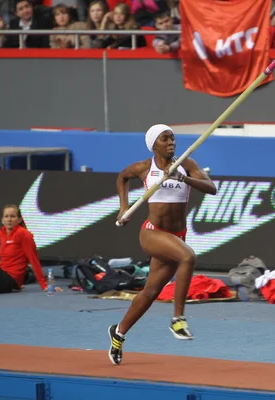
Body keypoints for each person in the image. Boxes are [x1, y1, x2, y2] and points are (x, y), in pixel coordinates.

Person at [108, 124, 217, 366]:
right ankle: (178, 318)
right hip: (152, 233)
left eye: (173, 138)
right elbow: (122, 177)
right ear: (153, 145)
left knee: (150, 292)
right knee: (188, 258)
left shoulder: (186, 164)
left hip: (176, 236)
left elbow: (212, 188)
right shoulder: (145, 168)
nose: (171, 143)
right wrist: (123, 207)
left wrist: (183, 178)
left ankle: (119, 333)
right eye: (165, 139)